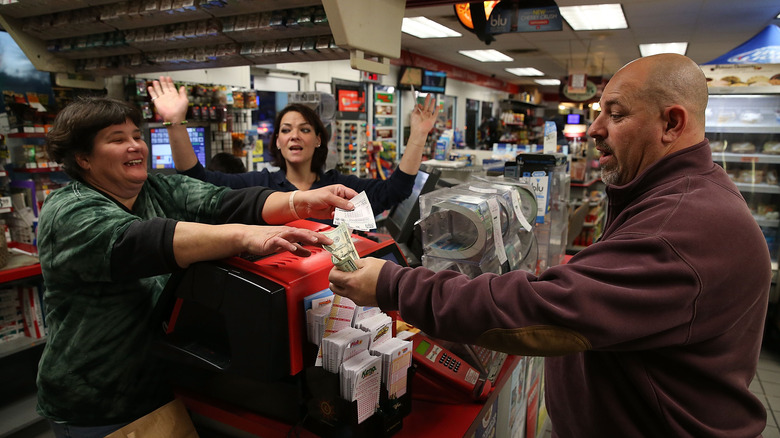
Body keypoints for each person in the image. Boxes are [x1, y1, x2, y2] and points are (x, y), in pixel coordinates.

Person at [328, 53, 771, 437]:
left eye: (615, 114)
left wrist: (395, 284)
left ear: (672, 123)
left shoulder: (685, 224)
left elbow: (545, 314)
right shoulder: (672, 197)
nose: (593, 130)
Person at [35, 94, 357, 437]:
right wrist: (245, 237)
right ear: (83, 157)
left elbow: (228, 202)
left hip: (161, 386)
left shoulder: (157, 189)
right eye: (118, 140)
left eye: (136, 136)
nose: (135, 146)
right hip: (97, 402)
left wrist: (301, 201)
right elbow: (145, 240)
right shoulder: (68, 211)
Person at [151, 76, 438, 215]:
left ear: (318, 139)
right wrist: (175, 123)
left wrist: (419, 135)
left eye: (304, 129)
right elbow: (197, 180)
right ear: (277, 140)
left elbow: (396, 190)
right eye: (286, 130)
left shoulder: (341, 190)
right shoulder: (258, 186)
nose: (294, 136)